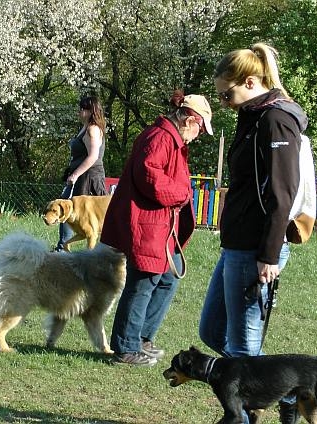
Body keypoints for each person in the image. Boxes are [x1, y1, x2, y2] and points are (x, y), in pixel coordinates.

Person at [198, 43, 308, 424]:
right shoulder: (252, 115)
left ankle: (251, 411)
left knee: (242, 349)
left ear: (251, 81)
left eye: (227, 94)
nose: (225, 103)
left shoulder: (277, 120)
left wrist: (269, 254)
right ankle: (281, 394)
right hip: (236, 245)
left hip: (255, 250)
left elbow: (283, 192)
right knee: (212, 330)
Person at [101, 93, 213, 366]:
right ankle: (126, 348)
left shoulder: (170, 139)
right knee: (143, 283)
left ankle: (141, 339)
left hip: (159, 225)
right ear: (189, 120)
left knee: (167, 279)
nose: (198, 135)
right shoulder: (160, 138)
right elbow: (148, 175)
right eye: (200, 128)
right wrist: (181, 193)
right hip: (147, 223)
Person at [54, 95, 108, 252]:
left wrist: (75, 174)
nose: (79, 112)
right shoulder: (85, 127)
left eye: (83, 109)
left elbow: (93, 157)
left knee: (73, 210)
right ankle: (63, 246)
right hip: (80, 176)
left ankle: (67, 248)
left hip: (90, 178)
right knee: (67, 208)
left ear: (91, 111)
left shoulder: (93, 129)